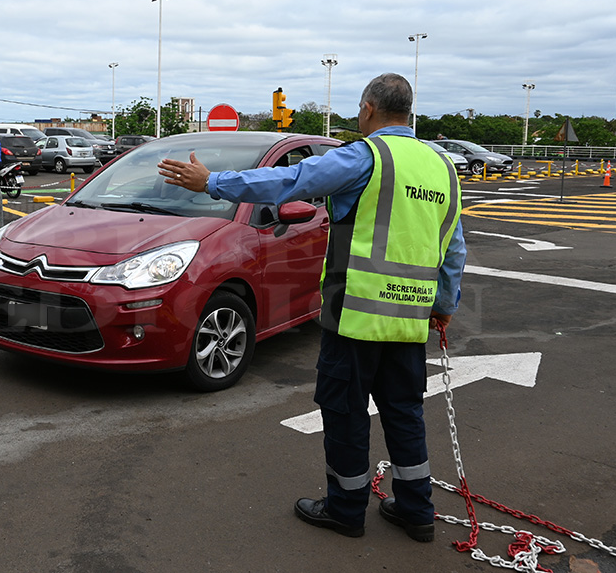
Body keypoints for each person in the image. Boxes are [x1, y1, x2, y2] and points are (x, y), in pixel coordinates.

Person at [157, 73, 467, 542]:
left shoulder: (366, 156)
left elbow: (291, 180)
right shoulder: (441, 166)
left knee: (344, 412)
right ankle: (417, 511)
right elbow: (454, 247)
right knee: (404, 413)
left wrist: (212, 182)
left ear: (368, 109)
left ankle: (345, 509)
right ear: (410, 111)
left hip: (355, 316)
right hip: (410, 321)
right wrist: (443, 305)